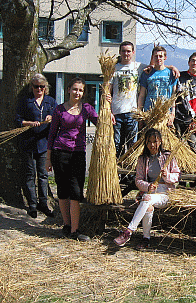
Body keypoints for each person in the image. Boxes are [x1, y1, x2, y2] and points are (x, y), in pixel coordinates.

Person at [46, 77, 98, 242]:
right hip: (59, 152)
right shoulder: (59, 110)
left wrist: (108, 113)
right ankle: (66, 226)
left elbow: (101, 122)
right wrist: (48, 159)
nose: (77, 92)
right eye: (75, 89)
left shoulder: (87, 109)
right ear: (68, 90)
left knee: (76, 192)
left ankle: (75, 230)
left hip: (78, 154)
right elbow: (52, 134)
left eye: (81, 90)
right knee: (62, 191)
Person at [114, 128, 180, 249]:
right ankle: (146, 239)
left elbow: (177, 176)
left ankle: (128, 231)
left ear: (160, 142)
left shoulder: (168, 157)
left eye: (155, 141)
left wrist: (167, 176)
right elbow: (138, 180)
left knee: (146, 199)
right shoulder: (142, 159)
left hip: (166, 193)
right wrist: (147, 185)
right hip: (150, 192)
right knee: (148, 205)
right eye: (149, 142)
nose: (152, 145)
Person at [15, 73, 57, 218]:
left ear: (46, 88)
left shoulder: (51, 102)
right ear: (31, 87)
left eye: (41, 87)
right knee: (30, 175)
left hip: (44, 143)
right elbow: (18, 120)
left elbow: (57, 118)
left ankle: (43, 204)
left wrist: (51, 118)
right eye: (36, 87)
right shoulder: (25, 101)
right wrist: (29, 123)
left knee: (43, 175)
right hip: (28, 142)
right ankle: (32, 205)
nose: (39, 89)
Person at [109, 41, 143, 157]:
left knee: (131, 145)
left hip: (131, 113)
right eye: (123, 51)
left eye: (128, 51)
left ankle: (130, 174)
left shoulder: (138, 67)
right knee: (117, 145)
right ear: (120, 52)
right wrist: (109, 111)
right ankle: (116, 172)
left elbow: (156, 67)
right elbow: (107, 91)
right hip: (116, 113)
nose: (126, 53)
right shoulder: (113, 69)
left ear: (133, 52)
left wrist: (172, 67)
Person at [174, 52, 196, 151]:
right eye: (192, 60)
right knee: (175, 146)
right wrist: (172, 67)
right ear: (188, 62)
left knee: (193, 147)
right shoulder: (179, 76)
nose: (194, 63)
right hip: (177, 117)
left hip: (191, 120)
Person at [137, 45, 178, 124]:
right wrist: (140, 113)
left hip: (165, 113)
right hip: (149, 112)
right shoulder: (147, 73)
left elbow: (173, 95)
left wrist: (173, 112)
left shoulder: (171, 74)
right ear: (152, 57)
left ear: (165, 57)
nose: (158, 58)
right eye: (156, 56)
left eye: (160, 56)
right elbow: (142, 95)